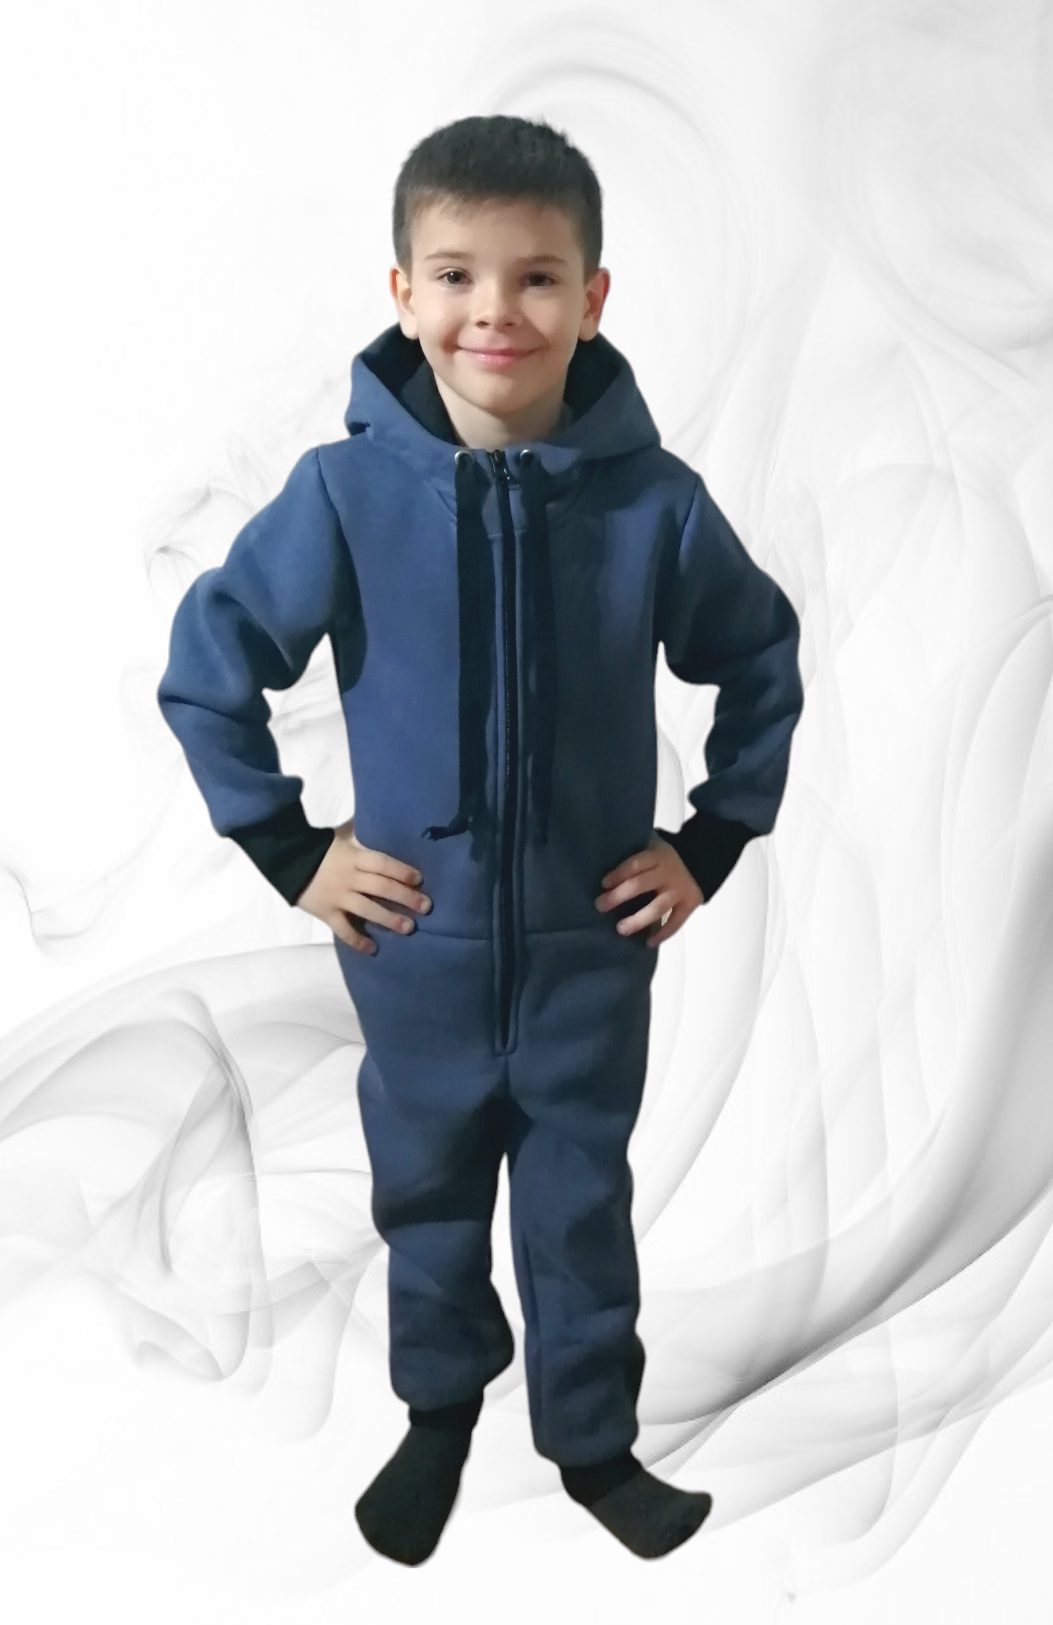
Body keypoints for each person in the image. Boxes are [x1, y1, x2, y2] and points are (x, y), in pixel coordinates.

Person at [157, 113, 804, 1565]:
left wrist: (709, 843)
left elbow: (759, 659)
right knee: (428, 1194)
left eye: (536, 277)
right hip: (414, 939)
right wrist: (292, 853)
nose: (493, 312)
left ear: (593, 297)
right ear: (402, 294)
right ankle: (440, 1411)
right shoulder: (342, 497)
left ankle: (595, 1442)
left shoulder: (654, 504)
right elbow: (209, 670)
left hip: (588, 943)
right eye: (455, 275)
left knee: (580, 1201)